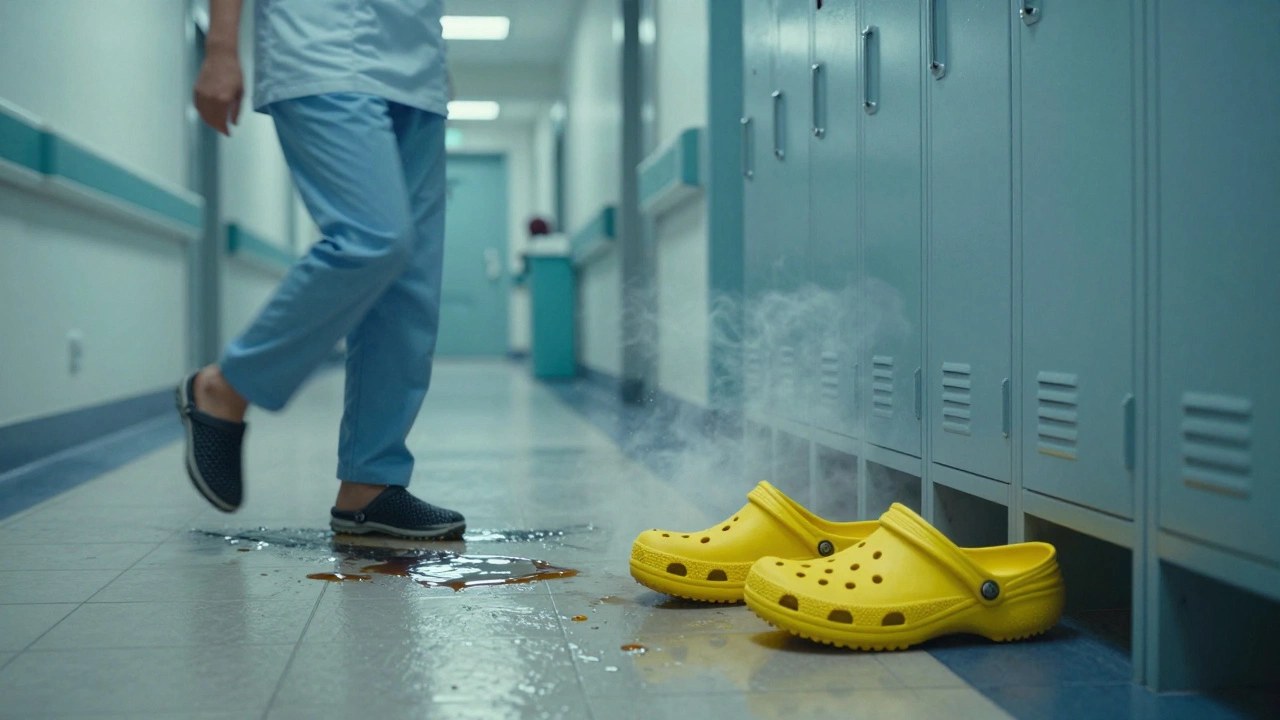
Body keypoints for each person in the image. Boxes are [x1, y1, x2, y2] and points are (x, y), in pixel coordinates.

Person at [176, 0, 465, 539]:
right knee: (373, 239)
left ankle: (370, 486)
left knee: (410, 290)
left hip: (419, 67)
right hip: (321, 43)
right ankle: (226, 385)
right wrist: (220, 47)